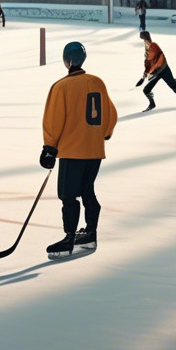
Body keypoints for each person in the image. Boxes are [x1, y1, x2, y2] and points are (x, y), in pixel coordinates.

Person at [40, 42, 116, 259]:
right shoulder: (97, 82)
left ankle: (69, 238)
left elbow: (54, 119)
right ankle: (90, 234)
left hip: (72, 152)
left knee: (68, 196)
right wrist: (104, 134)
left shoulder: (61, 86)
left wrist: (49, 148)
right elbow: (111, 113)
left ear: (67, 60)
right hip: (94, 150)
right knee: (87, 191)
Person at [137, 31, 176, 111]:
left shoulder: (153, 46)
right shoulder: (147, 47)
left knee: (175, 88)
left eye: (144, 39)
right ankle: (152, 104)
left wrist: (144, 77)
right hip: (156, 72)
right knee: (146, 90)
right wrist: (144, 75)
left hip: (164, 69)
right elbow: (148, 63)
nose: (143, 41)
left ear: (146, 38)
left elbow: (151, 61)